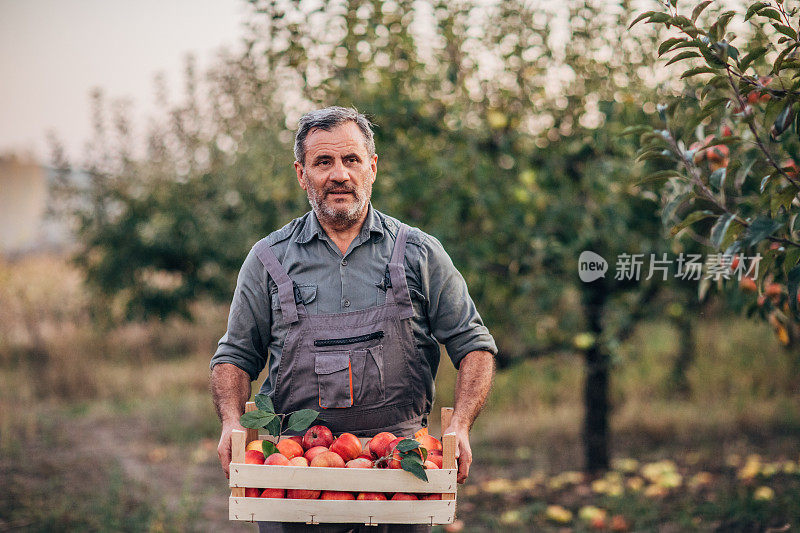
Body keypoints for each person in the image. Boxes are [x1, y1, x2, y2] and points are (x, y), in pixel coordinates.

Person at [210, 106, 496, 533]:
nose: (339, 174)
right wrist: (232, 423)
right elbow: (234, 355)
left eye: (351, 160)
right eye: (323, 162)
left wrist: (459, 427)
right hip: (293, 465)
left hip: (400, 466)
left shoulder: (419, 253)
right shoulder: (268, 259)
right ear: (301, 173)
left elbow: (474, 345)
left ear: (372, 168)